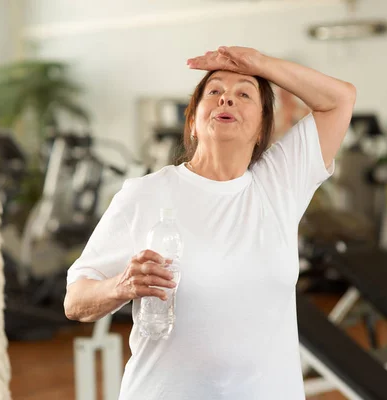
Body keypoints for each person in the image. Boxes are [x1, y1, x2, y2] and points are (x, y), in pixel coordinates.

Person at [64, 46, 356, 399]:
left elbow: (340, 99)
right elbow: (76, 301)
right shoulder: (145, 194)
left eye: (244, 93)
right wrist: (121, 286)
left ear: (263, 126)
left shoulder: (280, 183)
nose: (226, 100)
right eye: (214, 91)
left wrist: (258, 64)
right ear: (192, 121)